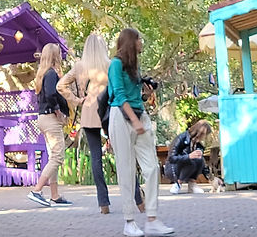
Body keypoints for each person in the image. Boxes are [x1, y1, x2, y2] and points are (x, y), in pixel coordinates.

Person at [107, 28, 174, 237]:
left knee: (152, 167)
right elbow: (118, 95)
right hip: (121, 117)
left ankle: (152, 218)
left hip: (139, 115)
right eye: (139, 39)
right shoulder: (115, 64)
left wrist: (146, 93)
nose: (141, 42)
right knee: (126, 170)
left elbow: (134, 95)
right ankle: (129, 222)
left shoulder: (134, 66)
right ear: (131, 42)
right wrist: (135, 121)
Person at [57, 32, 112, 214]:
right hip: (110, 112)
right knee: (123, 155)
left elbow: (60, 85)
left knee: (96, 157)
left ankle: (103, 203)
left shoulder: (80, 66)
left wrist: (76, 100)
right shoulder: (110, 65)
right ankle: (137, 199)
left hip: (89, 112)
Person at [26, 43, 72, 207]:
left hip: (43, 118)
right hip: (50, 118)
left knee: (54, 156)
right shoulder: (51, 73)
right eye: (58, 53)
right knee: (58, 156)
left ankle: (55, 195)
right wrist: (58, 109)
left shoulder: (42, 73)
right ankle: (37, 190)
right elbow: (52, 93)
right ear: (55, 56)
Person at [165, 119, 212, 195]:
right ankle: (178, 184)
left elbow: (202, 164)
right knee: (191, 160)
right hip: (173, 168)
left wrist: (211, 178)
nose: (204, 137)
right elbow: (171, 158)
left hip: (187, 167)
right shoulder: (182, 138)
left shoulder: (198, 145)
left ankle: (192, 184)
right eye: (204, 134)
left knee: (199, 160)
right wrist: (189, 156)